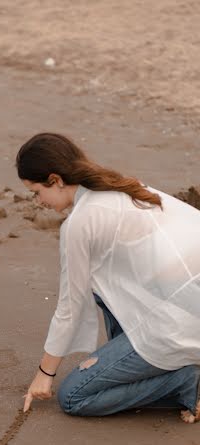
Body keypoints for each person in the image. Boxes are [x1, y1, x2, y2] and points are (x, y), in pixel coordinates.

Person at [16, 132, 200, 423]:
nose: (38, 201)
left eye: (36, 192)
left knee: (74, 397)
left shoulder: (79, 223)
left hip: (174, 328)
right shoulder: (120, 187)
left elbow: (69, 306)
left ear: (56, 180)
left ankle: (187, 382)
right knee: (102, 281)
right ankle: (160, 366)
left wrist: (44, 374)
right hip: (188, 309)